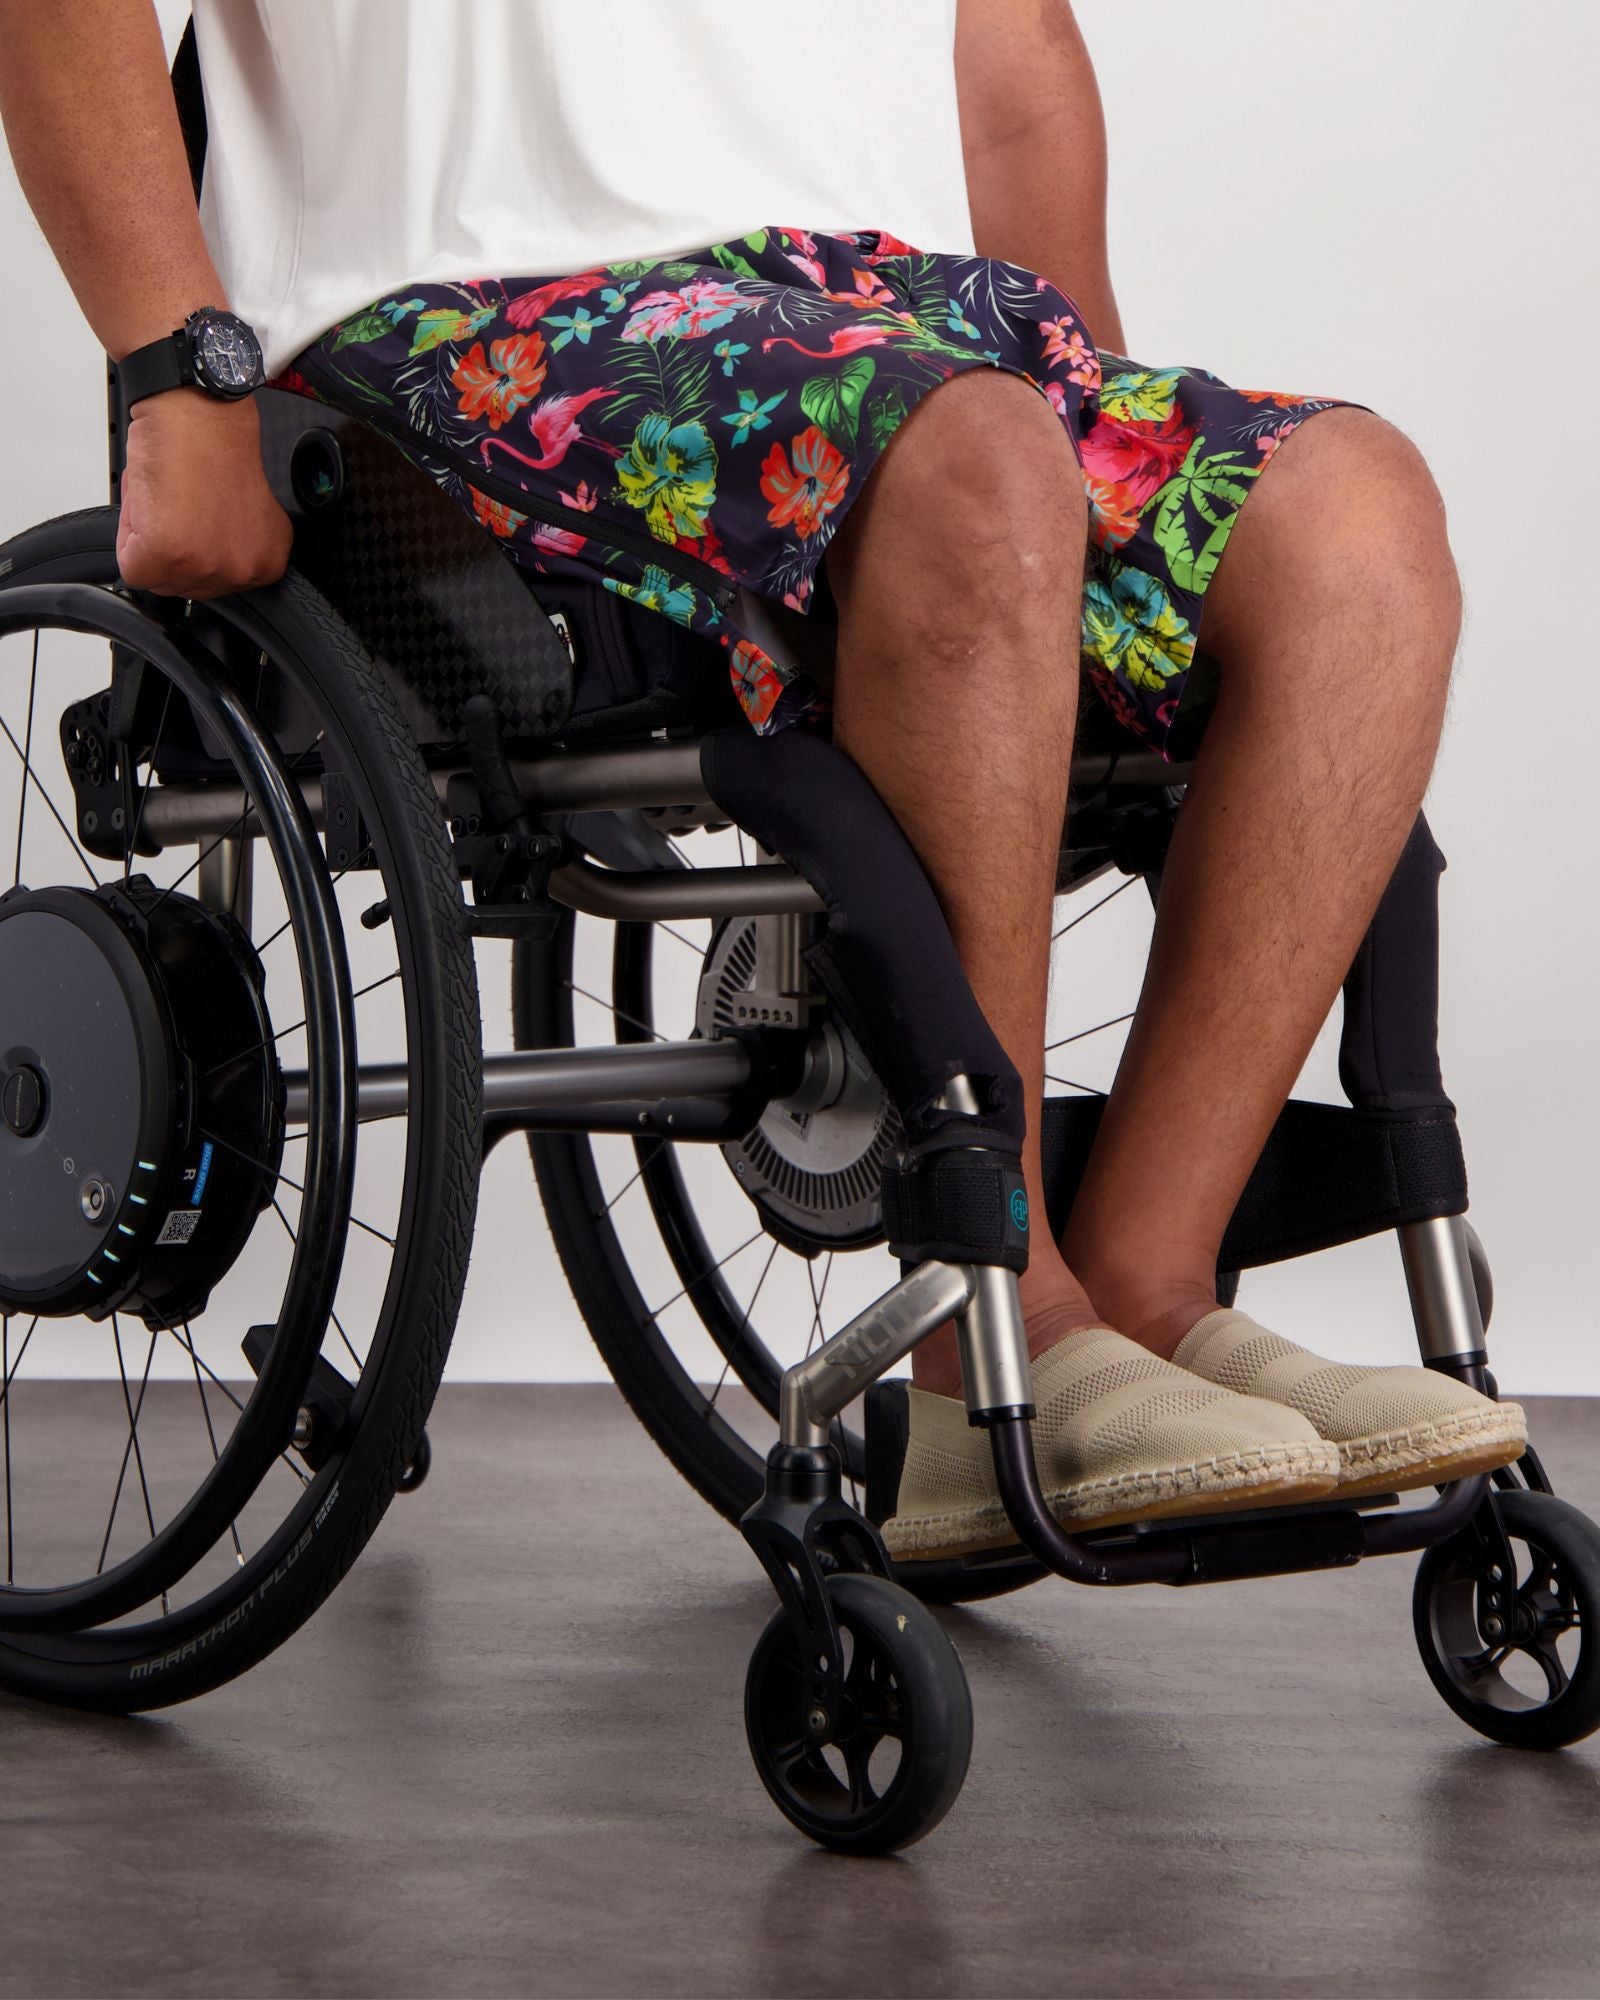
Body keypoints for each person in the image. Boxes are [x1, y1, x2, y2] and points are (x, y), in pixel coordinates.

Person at [0, 0, 1527, 1563]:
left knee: (1358, 530)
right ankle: (991, 1329)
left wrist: (1072, 498)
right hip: (466, 315)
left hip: (891, 319)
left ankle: (1144, 1281)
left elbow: (1012, 51)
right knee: (976, 458)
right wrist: (179, 369)